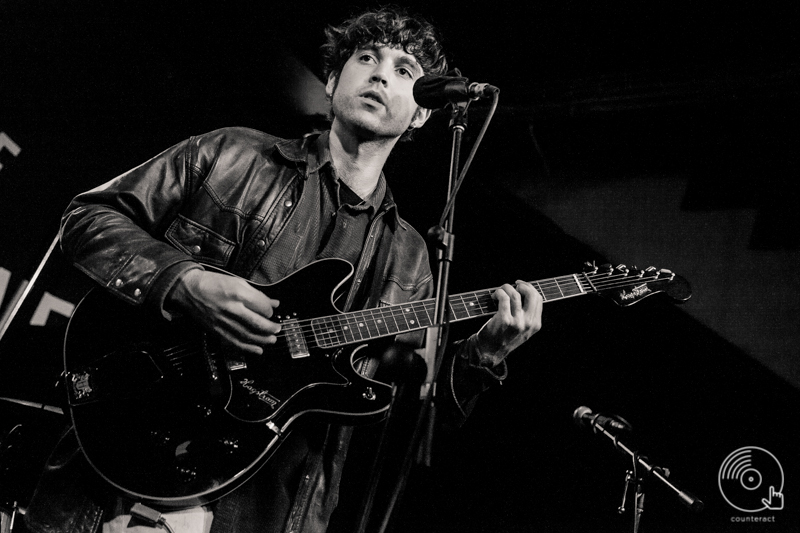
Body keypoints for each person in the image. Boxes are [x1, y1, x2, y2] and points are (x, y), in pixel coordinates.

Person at [25, 7, 542, 533]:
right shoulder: (233, 153)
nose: (382, 74)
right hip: (137, 461)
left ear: (422, 114)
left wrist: (481, 356)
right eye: (367, 58)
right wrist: (183, 280)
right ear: (334, 80)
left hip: (273, 508)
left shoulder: (409, 257)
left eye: (405, 70)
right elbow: (87, 219)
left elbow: (407, 423)